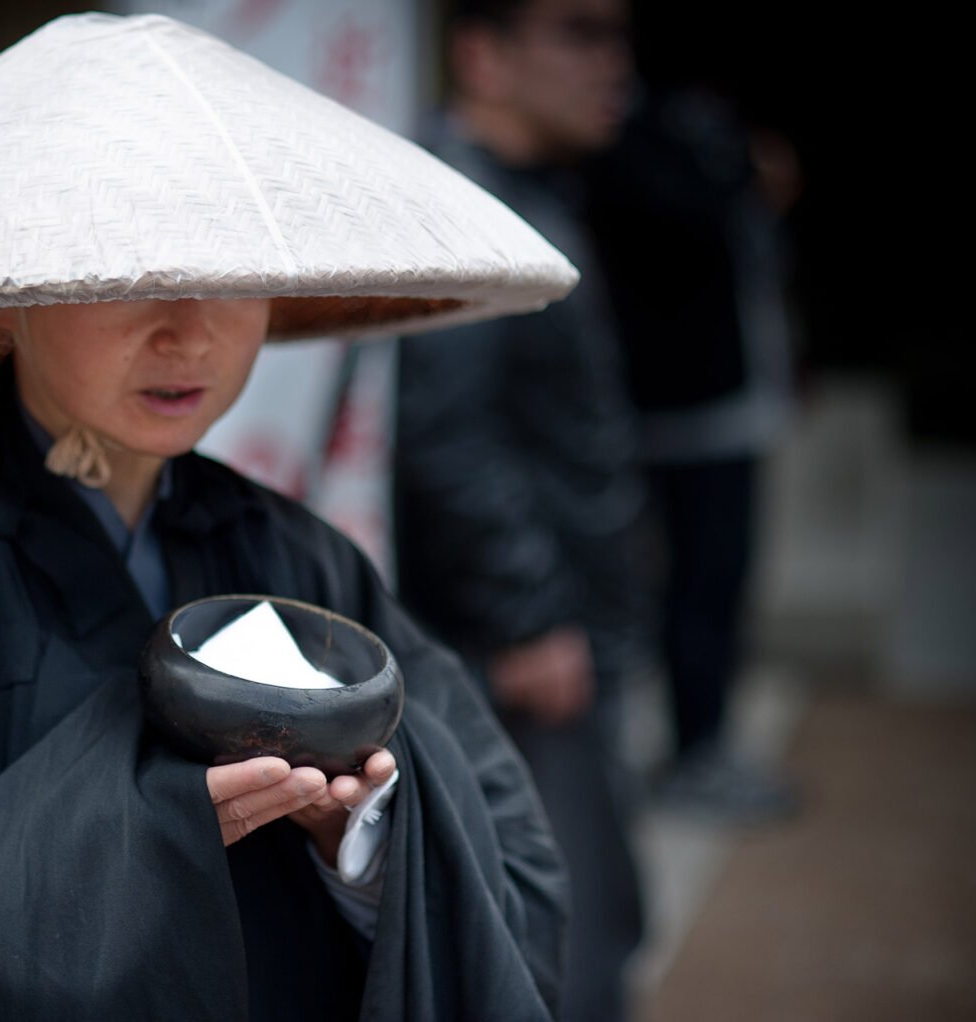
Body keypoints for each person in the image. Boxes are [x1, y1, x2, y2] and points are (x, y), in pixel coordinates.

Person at [0, 13, 580, 1020]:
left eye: (229, 276)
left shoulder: (298, 557)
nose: (187, 332)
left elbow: (512, 859)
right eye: (130, 276)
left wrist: (363, 843)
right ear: (11, 292)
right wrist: (143, 825)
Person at [393, 1, 645, 1019]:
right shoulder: (461, 205)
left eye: (619, 33)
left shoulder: (525, 191)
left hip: (560, 626)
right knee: (560, 939)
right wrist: (528, 614)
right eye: (579, 30)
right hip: (520, 652)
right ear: (482, 52)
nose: (611, 62)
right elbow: (445, 432)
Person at [585, 84, 801, 821]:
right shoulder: (647, 139)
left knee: (713, 585)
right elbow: (671, 235)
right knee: (689, 586)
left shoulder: (695, 131)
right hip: (680, 410)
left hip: (729, 402)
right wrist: (743, 172)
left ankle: (698, 746)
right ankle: (690, 753)